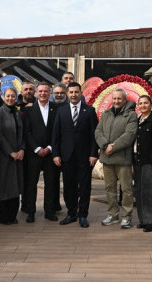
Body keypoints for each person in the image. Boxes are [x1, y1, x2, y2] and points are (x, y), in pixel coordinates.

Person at [52, 82, 99, 228]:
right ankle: (71, 213)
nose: (73, 94)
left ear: (81, 93)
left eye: (76, 92)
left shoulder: (90, 111)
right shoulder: (61, 111)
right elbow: (56, 135)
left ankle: (83, 215)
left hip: (85, 157)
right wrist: (56, 154)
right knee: (69, 187)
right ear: (67, 94)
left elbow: (94, 135)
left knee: (85, 187)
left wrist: (93, 154)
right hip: (66, 156)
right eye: (71, 92)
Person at [95, 88, 137, 228]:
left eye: (119, 99)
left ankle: (127, 216)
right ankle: (113, 214)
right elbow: (98, 131)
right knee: (109, 188)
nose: (116, 101)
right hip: (107, 158)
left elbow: (129, 135)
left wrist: (113, 146)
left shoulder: (131, 115)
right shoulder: (106, 114)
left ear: (125, 100)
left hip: (123, 159)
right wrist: (105, 145)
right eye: (114, 98)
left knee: (126, 189)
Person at [22, 82, 59, 222]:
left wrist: (50, 147)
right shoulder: (28, 110)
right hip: (34, 153)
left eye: (46, 91)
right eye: (40, 91)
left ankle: (49, 211)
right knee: (31, 184)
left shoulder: (56, 109)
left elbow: (58, 131)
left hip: (50, 152)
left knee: (50, 184)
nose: (43, 93)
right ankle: (30, 211)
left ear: (49, 93)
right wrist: (36, 148)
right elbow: (27, 131)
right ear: (37, 93)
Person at [0, 87, 25, 225]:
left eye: (13, 96)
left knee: (15, 185)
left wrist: (22, 149)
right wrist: (10, 152)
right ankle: (3, 216)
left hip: (18, 156)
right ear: (3, 96)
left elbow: (22, 133)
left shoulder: (17, 113)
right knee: (3, 186)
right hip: (4, 156)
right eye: (8, 96)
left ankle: (13, 215)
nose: (10, 98)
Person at [133, 94, 152, 232]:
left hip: (149, 161)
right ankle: (143, 220)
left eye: (146, 103)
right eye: (141, 103)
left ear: (151, 105)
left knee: (148, 192)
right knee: (138, 191)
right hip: (137, 160)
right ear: (137, 106)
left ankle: (151, 221)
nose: (143, 105)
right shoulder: (138, 120)